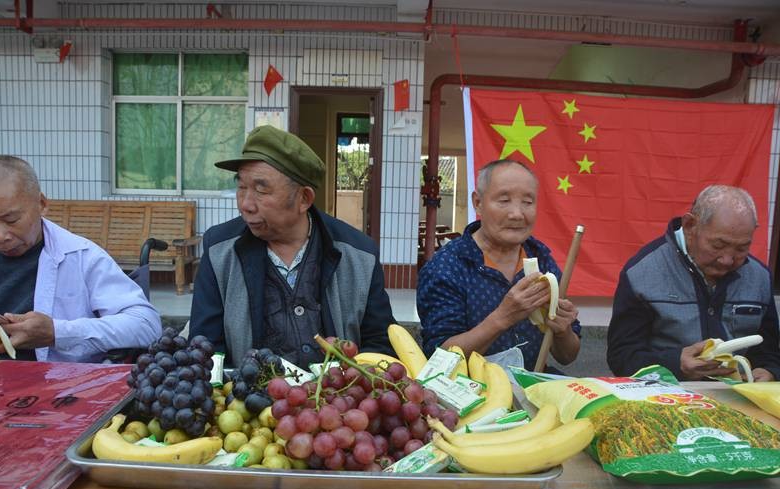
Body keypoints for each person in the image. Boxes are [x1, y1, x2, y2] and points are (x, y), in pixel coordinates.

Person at [189, 125, 394, 368]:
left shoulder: (359, 255)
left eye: (261, 189)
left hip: (335, 401)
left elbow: (379, 346)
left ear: (304, 199)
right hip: (250, 401)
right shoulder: (219, 251)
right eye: (241, 187)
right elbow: (206, 349)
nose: (246, 204)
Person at [0, 155, 162, 362]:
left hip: (58, 388)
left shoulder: (83, 257)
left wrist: (58, 333)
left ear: (41, 204)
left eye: (11, 219)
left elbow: (146, 325)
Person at [417, 159, 581, 371]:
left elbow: (568, 355)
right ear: (478, 203)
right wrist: (503, 317)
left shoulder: (541, 258)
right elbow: (439, 358)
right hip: (468, 392)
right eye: (504, 200)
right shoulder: (447, 266)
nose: (517, 214)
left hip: (531, 385)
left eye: (528, 202)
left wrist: (562, 330)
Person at [607, 185, 780, 381]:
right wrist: (675, 363)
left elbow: (770, 352)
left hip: (740, 396)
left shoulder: (759, 277)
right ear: (690, 226)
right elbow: (621, 358)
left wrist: (770, 371)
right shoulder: (642, 272)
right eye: (718, 245)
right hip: (665, 395)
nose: (728, 260)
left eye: (742, 248)